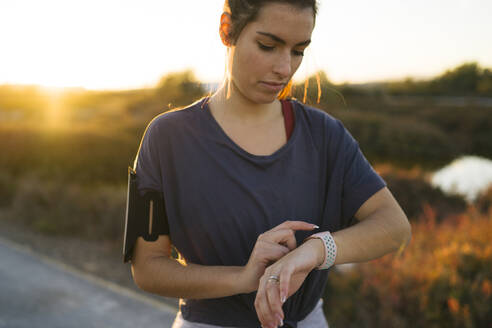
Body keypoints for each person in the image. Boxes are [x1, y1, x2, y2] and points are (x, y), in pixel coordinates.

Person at [128, 1, 412, 327]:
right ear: (227, 30)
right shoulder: (165, 137)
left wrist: (317, 250)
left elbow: (395, 227)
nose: (284, 68)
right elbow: (146, 268)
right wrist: (246, 278)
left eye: (298, 51)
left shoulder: (326, 135)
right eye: (268, 46)